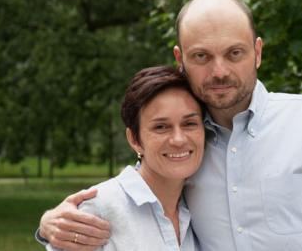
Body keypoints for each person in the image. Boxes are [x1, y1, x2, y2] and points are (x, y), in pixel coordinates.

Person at [37, 0, 302, 251]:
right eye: (202, 56)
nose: (219, 71)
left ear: (258, 52)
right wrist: (51, 225)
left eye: (235, 53)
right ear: (181, 57)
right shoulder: (187, 147)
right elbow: (140, 189)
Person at [43, 66, 204, 250]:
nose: (178, 139)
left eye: (190, 124)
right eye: (161, 127)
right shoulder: (98, 210)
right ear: (134, 139)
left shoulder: (199, 208)